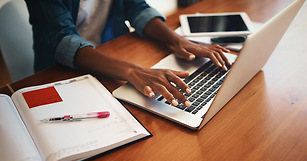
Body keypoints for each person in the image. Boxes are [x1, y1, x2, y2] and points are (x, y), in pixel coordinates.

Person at [25, 0, 231, 108]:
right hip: (62, 70)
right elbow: (61, 40)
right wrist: (133, 71)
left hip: (113, 54)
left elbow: (137, 8)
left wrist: (178, 41)